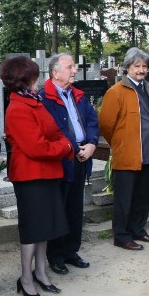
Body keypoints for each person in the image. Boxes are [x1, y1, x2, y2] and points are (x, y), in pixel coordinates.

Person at [1, 56, 72, 296]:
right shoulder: (18, 108)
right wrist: (64, 147)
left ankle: (41, 272)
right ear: (25, 78)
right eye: (34, 75)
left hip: (48, 173)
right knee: (32, 230)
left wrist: (61, 142)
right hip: (31, 177)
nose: (38, 79)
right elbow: (37, 147)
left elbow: (55, 131)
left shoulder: (35, 102)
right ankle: (26, 278)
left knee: (45, 228)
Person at [40, 54, 99, 274]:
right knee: (59, 208)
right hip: (61, 159)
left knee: (75, 208)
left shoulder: (78, 95)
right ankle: (55, 256)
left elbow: (92, 121)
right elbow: (49, 131)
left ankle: (71, 251)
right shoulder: (44, 98)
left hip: (82, 156)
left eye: (74, 67)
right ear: (56, 73)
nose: (74, 70)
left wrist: (92, 144)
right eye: (70, 67)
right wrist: (71, 147)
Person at [98, 48, 149, 251]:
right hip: (127, 153)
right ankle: (122, 236)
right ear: (127, 68)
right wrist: (120, 143)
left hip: (147, 152)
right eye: (137, 66)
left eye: (144, 66)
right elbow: (106, 124)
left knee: (142, 196)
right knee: (125, 198)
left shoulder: (148, 88)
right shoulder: (115, 92)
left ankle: (138, 229)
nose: (141, 70)